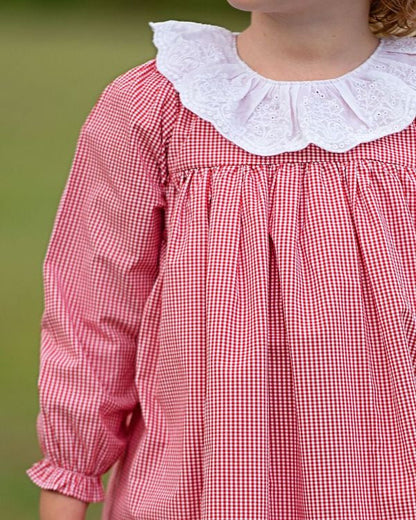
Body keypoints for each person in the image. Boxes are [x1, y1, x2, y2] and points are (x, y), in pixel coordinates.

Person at [26, 1, 416, 519]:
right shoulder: (152, 105)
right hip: (201, 486)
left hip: (386, 485)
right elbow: (92, 314)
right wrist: (69, 476)